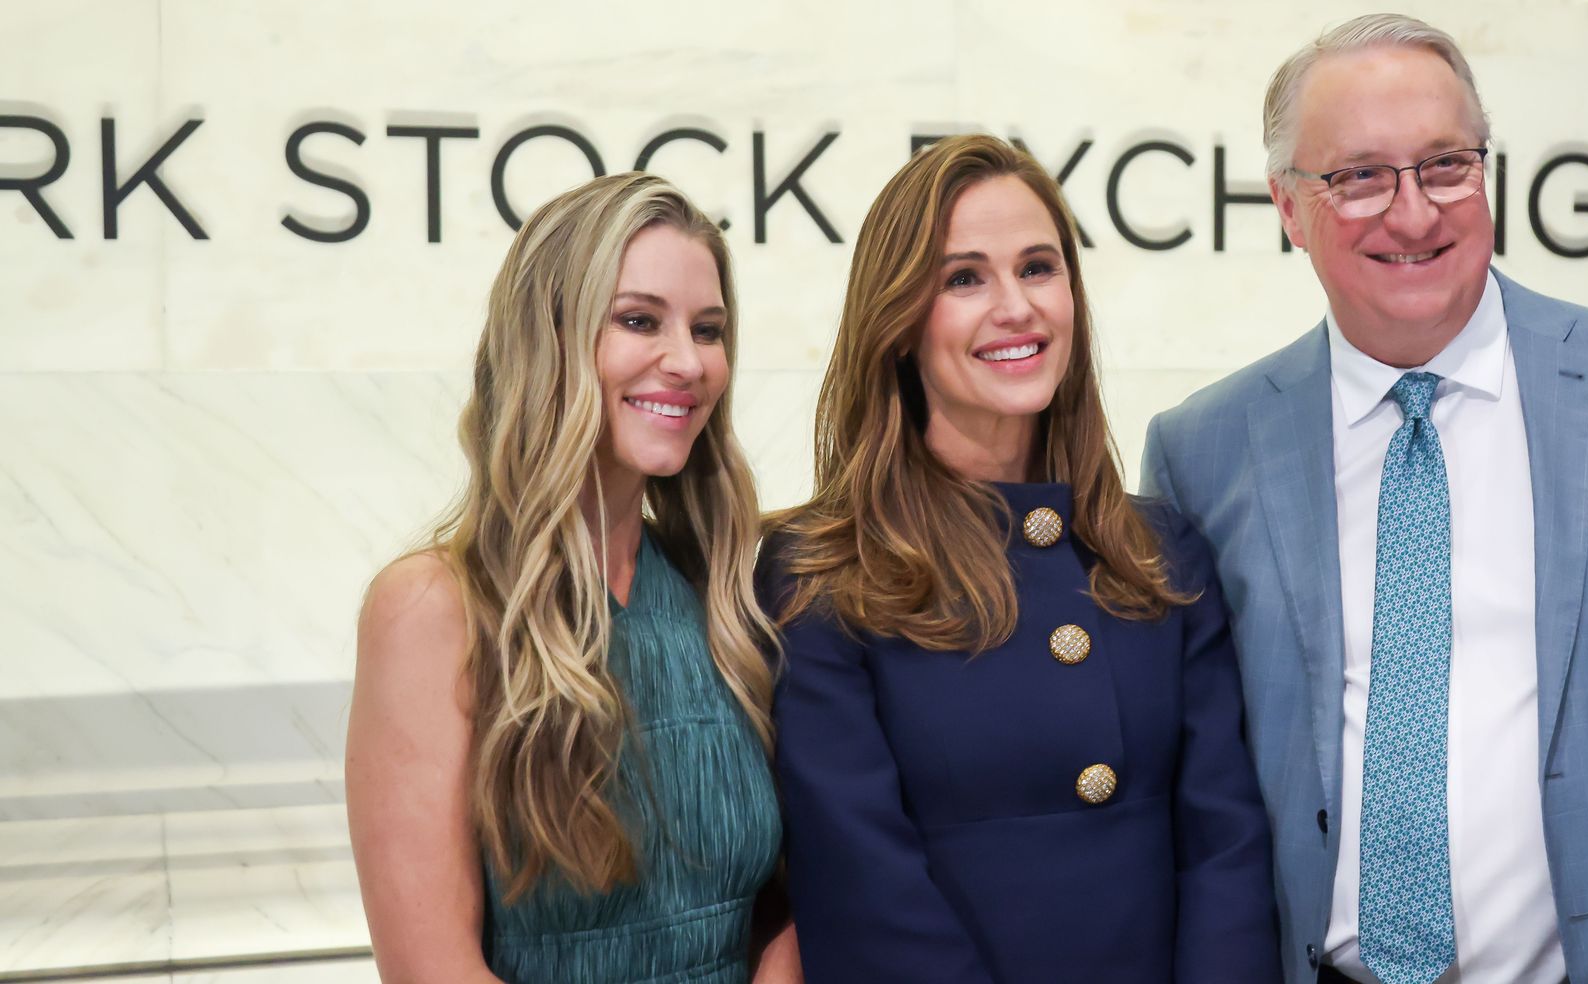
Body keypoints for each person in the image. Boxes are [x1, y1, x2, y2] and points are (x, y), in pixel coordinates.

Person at [1142, 13, 1588, 984]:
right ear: (1289, 209)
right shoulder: (1202, 452)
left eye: (1445, 165)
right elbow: (1196, 773)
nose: (1414, 215)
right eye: (1360, 176)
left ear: (1486, 174)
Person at [761, 134, 1281, 983]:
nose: (1016, 307)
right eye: (964, 278)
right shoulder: (821, 572)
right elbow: (863, 884)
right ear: (898, 322)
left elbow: (1224, 846)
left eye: (1039, 268)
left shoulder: (1162, 554)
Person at [345, 172, 799, 983]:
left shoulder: (724, 588)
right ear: (547, 338)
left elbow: (786, 904)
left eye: (708, 329)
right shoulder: (430, 608)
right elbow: (430, 969)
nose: (688, 362)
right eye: (638, 321)